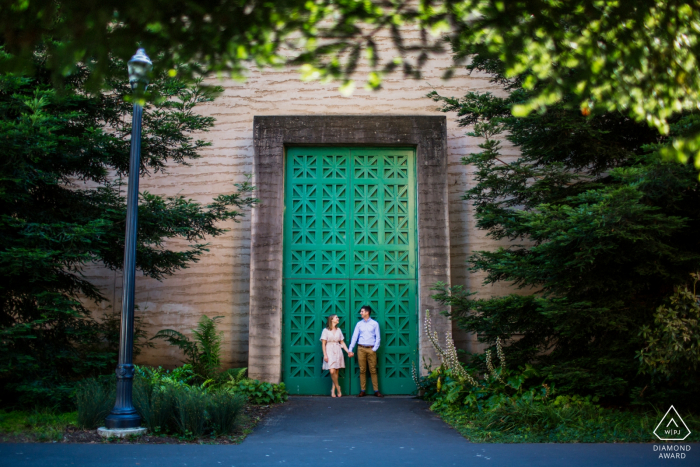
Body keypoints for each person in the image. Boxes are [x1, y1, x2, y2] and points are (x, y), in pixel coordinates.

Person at [348, 305, 384, 397]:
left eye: (362, 311)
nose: (360, 313)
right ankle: (362, 390)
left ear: (367, 312)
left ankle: (376, 390)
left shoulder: (375, 324)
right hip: (361, 349)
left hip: (371, 349)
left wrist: (374, 349)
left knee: (373, 370)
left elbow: (378, 337)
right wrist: (350, 349)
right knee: (362, 370)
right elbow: (354, 337)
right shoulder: (359, 324)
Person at [320, 314, 353, 397]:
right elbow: (323, 344)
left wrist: (348, 351)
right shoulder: (325, 330)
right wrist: (325, 355)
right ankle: (338, 387)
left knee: (336, 371)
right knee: (332, 371)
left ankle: (333, 390)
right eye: (336, 317)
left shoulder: (338, 330)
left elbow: (342, 342)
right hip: (329, 350)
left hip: (338, 350)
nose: (338, 319)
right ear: (331, 319)